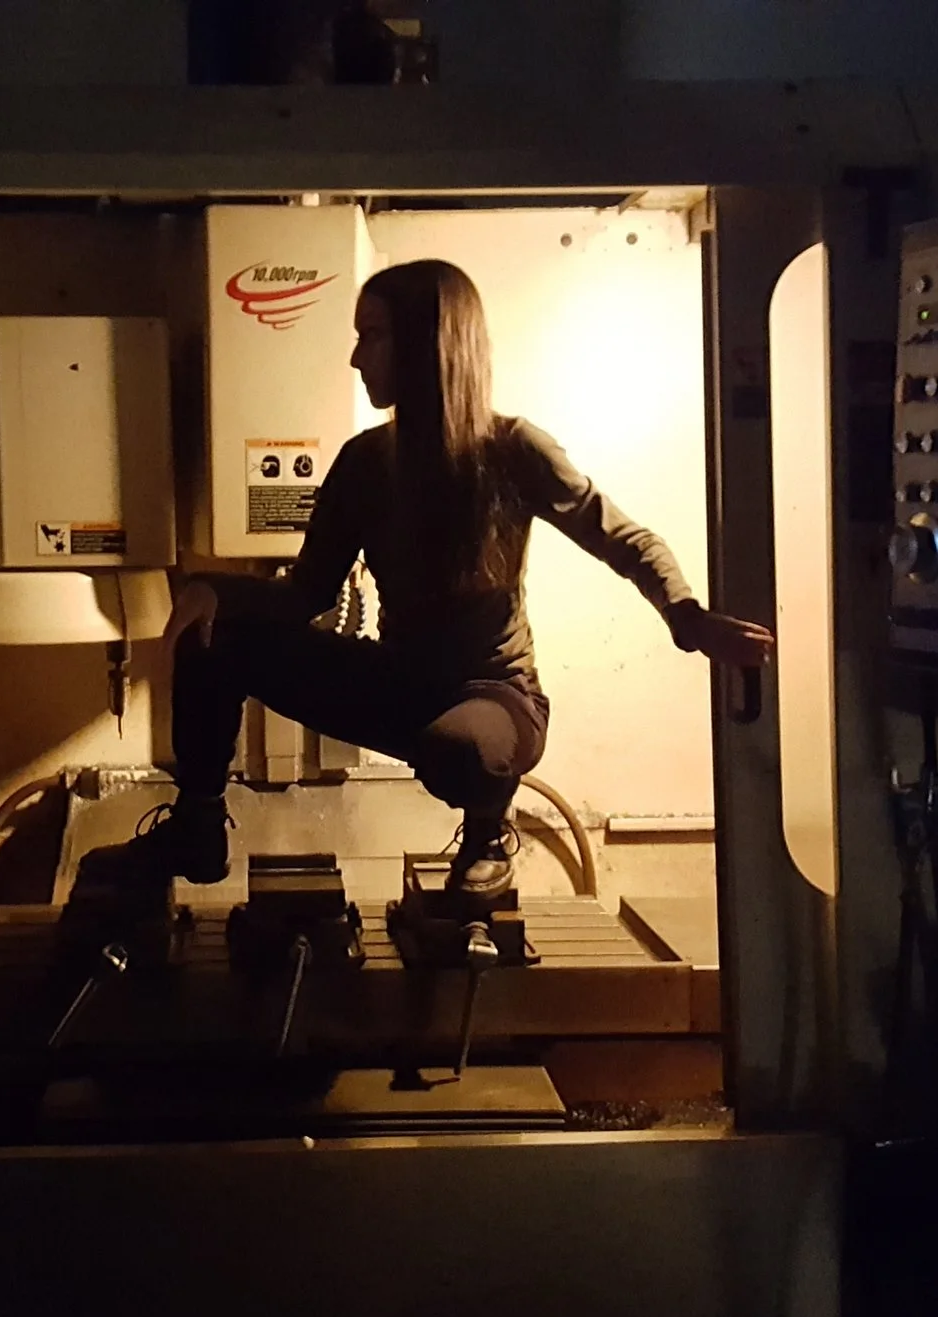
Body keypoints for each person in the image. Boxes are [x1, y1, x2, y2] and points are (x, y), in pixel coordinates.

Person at [129, 259, 773, 895]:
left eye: (371, 336)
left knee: (460, 749)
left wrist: (686, 617)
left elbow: (623, 539)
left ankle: (487, 834)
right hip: (397, 682)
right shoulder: (365, 461)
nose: (356, 359)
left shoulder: (514, 449)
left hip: (494, 698)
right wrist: (216, 590)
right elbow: (306, 595)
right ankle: (197, 824)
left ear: (424, 344)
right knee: (211, 638)